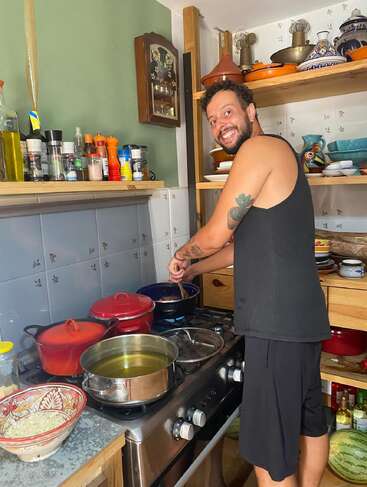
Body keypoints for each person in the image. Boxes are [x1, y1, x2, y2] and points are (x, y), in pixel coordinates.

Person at [168, 80, 331, 487]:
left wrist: (182, 254)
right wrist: (194, 272)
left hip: (275, 327)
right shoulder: (279, 155)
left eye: (227, 112)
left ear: (251, 111)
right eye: (212, 119)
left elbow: (215, 235)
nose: (220, 124)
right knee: (311, 421)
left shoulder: (258, 150)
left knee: (268, 454)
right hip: (304, 321)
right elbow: (239, 247)